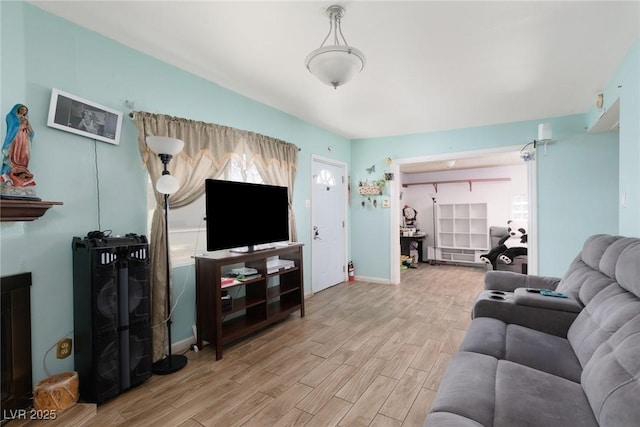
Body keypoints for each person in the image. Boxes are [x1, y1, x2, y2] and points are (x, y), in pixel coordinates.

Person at [1, 104, 35, 187]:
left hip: (24, 138)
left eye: (25, 110)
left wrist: (30, 131)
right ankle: (10, 173)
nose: (24, 111)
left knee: (25, 154)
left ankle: (21, 171)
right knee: (15, 152)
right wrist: (20, 125)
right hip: (16, 137)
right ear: (18, 109)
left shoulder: (26, 119)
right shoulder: (12, 117)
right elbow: (12, 128)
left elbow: (31, 130)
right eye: (22, 109)